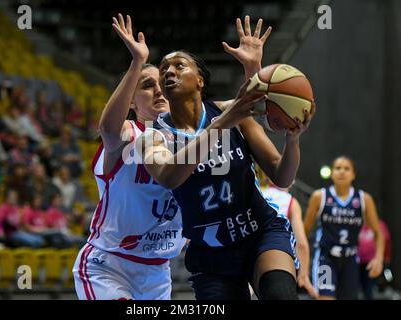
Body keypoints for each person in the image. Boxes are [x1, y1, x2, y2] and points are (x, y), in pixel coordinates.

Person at [137, 18, 315, 299]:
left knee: (281, 294)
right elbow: (169, 176)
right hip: (211, 255)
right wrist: (223, 123)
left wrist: (292, 140)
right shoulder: (152, 136)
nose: (169, 71)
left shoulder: (231, 113)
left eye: (179, 65)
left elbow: (282, 177)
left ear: (200, 80)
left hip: (260, 232)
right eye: (164, 69)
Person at [72, 14, 186, 300]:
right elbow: (107, 129)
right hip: (109, 266)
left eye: (163, 84)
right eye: (148, 85)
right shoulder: (128, 133)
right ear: (132, 102)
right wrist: (138, 62)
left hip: (159, 273)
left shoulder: (191, 141)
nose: (159, 90)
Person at [304, 156, 384, 300]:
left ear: (353, 175)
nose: (342, 172)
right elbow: (304, 231)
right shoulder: (319, 196)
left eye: (346, 169)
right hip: (326, 257)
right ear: (332, 173)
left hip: (351, 259)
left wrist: (378, 258)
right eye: (338, 168)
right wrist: (302, 262)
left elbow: (378, 233)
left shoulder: (364, 199)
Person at [255, 165, 318, 298]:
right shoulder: (289, 200)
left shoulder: (250, 192)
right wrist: (304, 274)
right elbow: (301, 244)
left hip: (243, 264)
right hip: (275, 265)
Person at [358, 219, 391, 299]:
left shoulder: (380, 224)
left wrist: (385, 259)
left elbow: (386, 240)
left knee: (369, 290)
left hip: (372, 263)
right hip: (355, 263)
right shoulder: (356, 222)